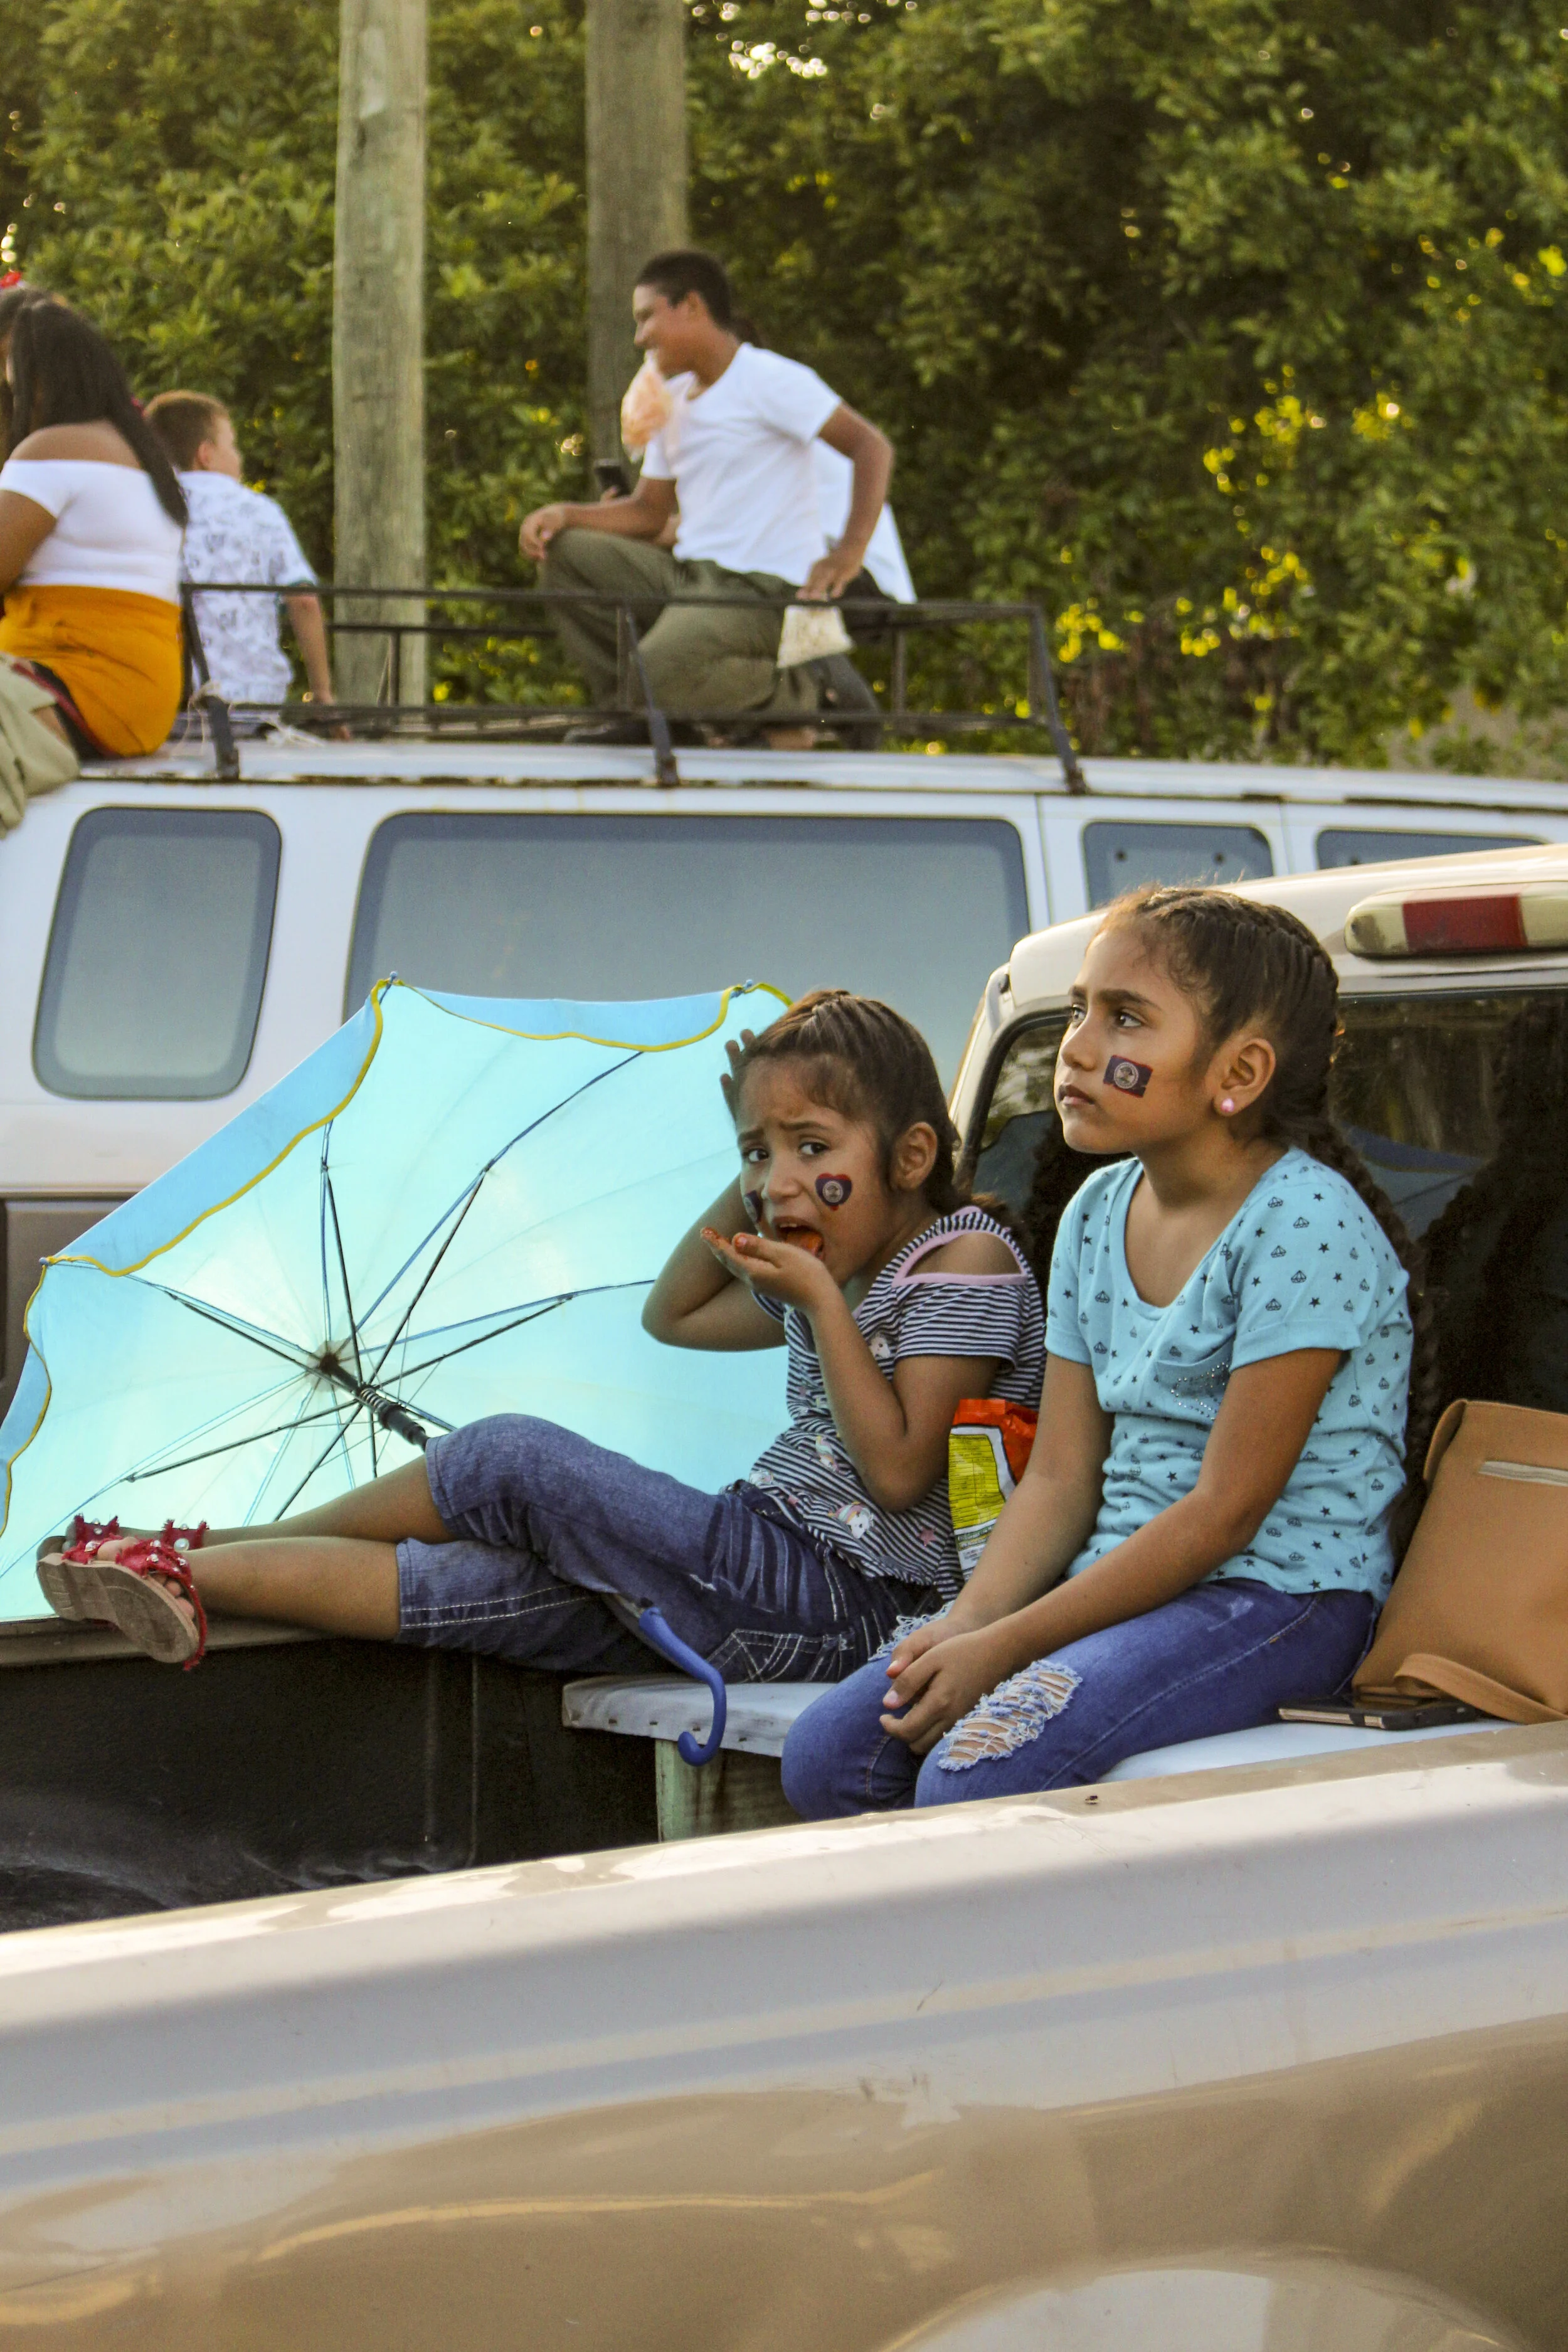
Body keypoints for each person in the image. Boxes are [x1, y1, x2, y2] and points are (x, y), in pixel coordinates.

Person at [38, 992, 1046, 1677]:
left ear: (913, 1153)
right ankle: (173, 1570)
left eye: (812, 1148)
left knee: (512, 1458)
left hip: (857, 1601)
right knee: (474, 1585)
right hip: (767, 1581)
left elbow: (906, 1471)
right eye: (757, 1151)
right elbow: (677, 1312)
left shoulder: (964, 1261)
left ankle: (198, 1542)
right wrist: (763, 1167)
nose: (776, 1181)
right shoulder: (845, 1263)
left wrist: (823, 1304)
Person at [782, 889, 1436, 1817]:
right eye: (1081, 1007)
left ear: (1239, 1072)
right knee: (829, 1754)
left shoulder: (1306, 1223)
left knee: (980, 1770)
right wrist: (967, 1623)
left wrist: (1007, 1648)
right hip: (1123, 1573)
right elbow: (1059, 1476)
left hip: (1282, 1597)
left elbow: (1222, 1514)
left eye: (1124, 1018)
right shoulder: (1095, 1211)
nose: (1078, 1046)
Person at [519, 250, 893, 748]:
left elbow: (871, 446)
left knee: (658, 668)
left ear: (690, 307)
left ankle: (809, 694)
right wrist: (564, 515)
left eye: (647, 316)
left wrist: (848, 553)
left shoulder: (768, 379)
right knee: (565, 555)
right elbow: (648, 514)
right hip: (690, 578)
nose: (640, 337)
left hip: (762, 591)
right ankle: (646, 715)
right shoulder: (670, 403)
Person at [0, 296, 187, 757]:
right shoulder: (145, 454)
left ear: (38, 383)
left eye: (11, 388)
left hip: (79, 689)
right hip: (144, 701)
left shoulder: (49, 449)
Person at [144, 391, 337, 723]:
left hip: (168, 702)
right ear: (205, 454)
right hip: (254, 703)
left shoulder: (144, 507)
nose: (239, 458)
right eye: (232, 446)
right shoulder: (260, 511)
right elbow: (304, 599)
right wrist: (322, 693)